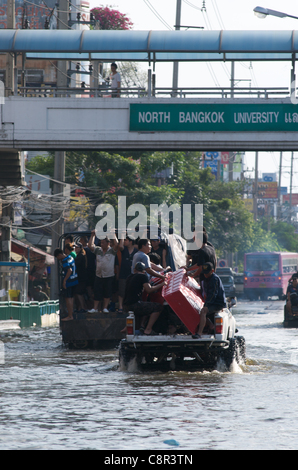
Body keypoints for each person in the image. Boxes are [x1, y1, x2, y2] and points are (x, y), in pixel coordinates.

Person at [123, 262, 166, 335]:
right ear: (144, 271)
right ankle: (148, 329)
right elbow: (149, 290)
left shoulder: (129, 277)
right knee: (158, 307)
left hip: (126, 305)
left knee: (146, 306)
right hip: (135, 304)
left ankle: (130, 327)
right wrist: (162, 284)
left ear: (134, 270)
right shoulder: (143, 276)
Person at [88, 230, 119, 313]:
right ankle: (95, 308)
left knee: (107, 292)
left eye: (103, 243)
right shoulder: (98, 250)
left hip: (109, 275)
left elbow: (116, 244)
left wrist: (113, 235)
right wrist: (93, 235)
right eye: (101, 243)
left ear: (108, 243)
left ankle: (105, 308)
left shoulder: (112, 251)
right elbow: (90, 246)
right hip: (99, 275)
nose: (101, 244)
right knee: (97, 292)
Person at [194, 262, 227, 338]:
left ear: (212, 271)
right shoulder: (207, 278)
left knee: (203, 311)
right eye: (204, 273)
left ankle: (199, 333)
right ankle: (211, 325)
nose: (205, 275)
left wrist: (206, 305)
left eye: (207, 273)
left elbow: (213, 294)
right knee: (198, 310)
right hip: (211, 302)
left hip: (217, 303)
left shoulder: (214, 279)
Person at [54, 247, 78, 321]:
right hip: (75, 279)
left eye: (58, 257)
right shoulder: (70, 256)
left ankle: (70, 316)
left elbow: (69, 270)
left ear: (60, 255)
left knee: (68, 298)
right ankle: (71, 313)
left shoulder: (64, 261)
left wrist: (64, 281)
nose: (58, 259)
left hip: (69, 281)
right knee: (71, 297)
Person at [118, 235, 138, 313]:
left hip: (133, 274)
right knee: (121, 290)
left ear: (131, 242)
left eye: (126, 240)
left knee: (131, 291)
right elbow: (120, 246)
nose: (125, 242)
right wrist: (122, 235)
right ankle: (120, 306)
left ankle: (130, 306)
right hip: (123, 273)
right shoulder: (124, 249)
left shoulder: (136, 251)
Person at [74, 243, 88, 312]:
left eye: (77, 247)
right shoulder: (77, 255)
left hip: (81, 278)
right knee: (78, 293)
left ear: (80, 248)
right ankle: (79, 308)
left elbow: (76, 263)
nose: (76, 249)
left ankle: (83, 307)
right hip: (78, 277)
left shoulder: (81, 256)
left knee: (79, 293)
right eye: (75, 247)